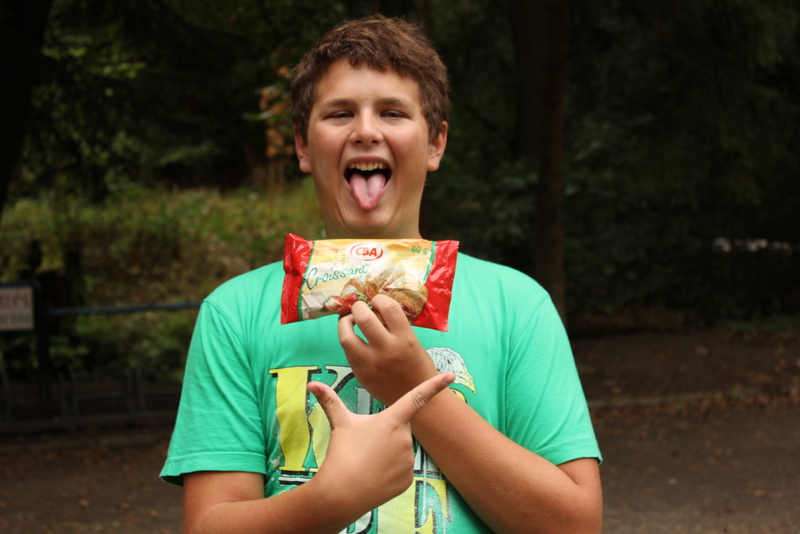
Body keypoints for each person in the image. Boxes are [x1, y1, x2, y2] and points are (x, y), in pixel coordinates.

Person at [161, 14, 603, 534]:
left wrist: (415, 386)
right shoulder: (235, 313)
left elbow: (574, 525)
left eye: (392, 113)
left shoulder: (516, 305)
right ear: (302, 146)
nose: (366, 131)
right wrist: (331, 499)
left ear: (435, 144)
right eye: (340, 113)